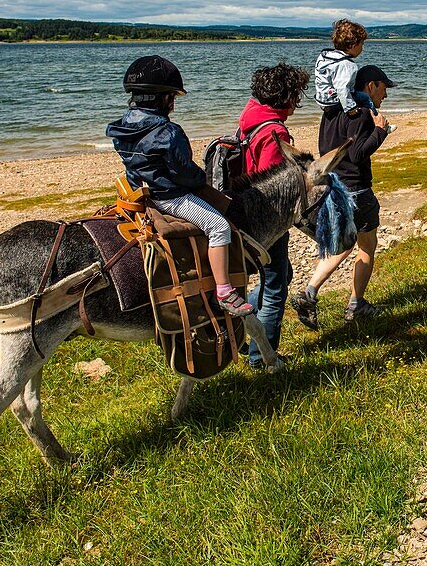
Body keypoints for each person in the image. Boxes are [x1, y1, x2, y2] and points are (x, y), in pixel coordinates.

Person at [106, 55, 254, 317]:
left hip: (137, 191)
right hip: (169, 197)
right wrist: (201, 179)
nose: (173, 103)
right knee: (219, 226)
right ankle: (224, 291)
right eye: (172, 97)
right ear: (164, 98)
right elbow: (182, 173)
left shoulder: (123, 124)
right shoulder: (168, 131)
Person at [290, 64, 397, 325]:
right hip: (356, 190)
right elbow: (357, 153)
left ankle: (312, 293)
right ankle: (353, 303)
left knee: (343, 243)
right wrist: (380, 131)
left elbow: (328, 148)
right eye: (383, 88)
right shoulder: (360, 113)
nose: (385, 95)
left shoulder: (331, 111)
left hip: (332, 186)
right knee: (365, 245)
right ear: (370, 86)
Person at [236, 62, 309, 369]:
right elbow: (275, 181)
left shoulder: (250, 116)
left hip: (242, 208)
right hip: (265, 220)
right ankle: (262, 358)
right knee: (275, 286)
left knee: (281, 276)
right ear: (287, 96)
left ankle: (241, 329)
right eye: (297, 95)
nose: (297, 102)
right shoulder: (275, 130)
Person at [313, 19, 367, 113]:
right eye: (362, 44)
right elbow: (342, 88)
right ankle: (377, 120)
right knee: (366, 98)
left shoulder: (325, 57)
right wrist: (350, 108)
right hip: (335, 102)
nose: (362, 48)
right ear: (353, 45)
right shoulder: (346, 64)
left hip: (322, 100)